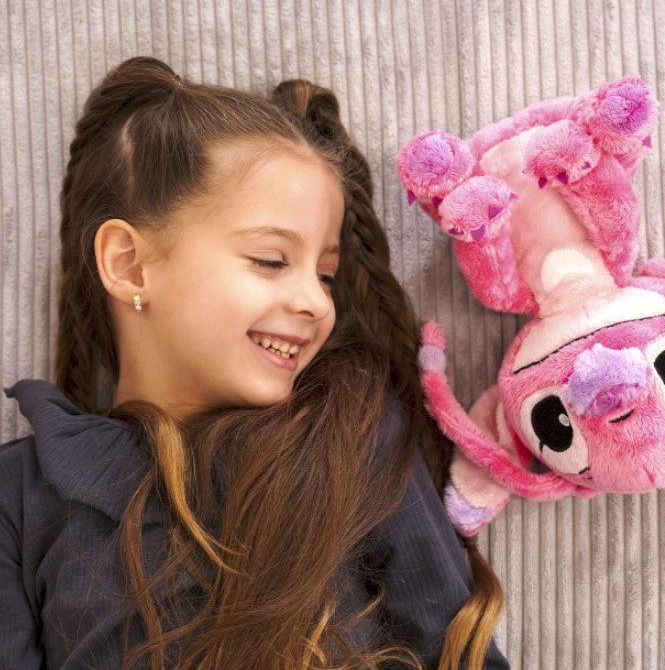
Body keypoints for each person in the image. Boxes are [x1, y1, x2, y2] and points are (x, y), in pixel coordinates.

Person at [0, 57, 509, 669]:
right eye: (270, 260)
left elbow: (458, 652)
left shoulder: (352, 434)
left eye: (326, 275)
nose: (316, 302)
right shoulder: (23, 492)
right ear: (129, 265)